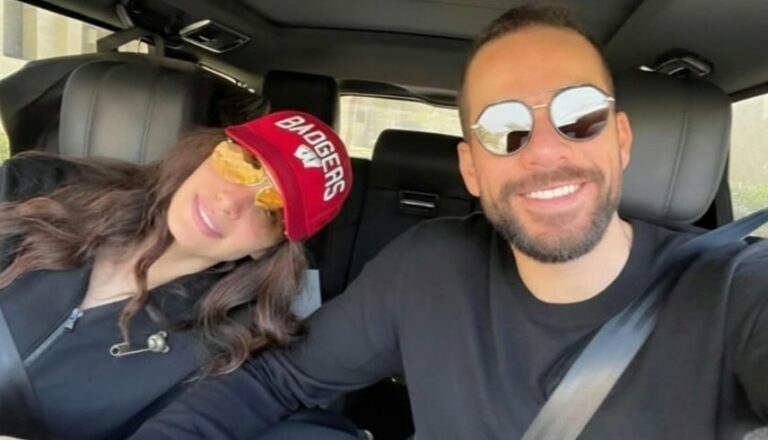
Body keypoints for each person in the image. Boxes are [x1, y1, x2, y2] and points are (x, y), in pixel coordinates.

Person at [132, 5, 768, 440]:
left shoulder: (737, 289)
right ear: (470, 169)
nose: (545, 152)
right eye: (504, 127)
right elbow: (276, 380)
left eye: (580, 116)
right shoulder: (428, 267)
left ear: (620, 139)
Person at [0, 110, 352, 439]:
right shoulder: (34, 187)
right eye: (242, 164)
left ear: (269, 247)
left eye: (269, 210)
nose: (231, 202)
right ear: (211, 151)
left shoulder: (225, 355)